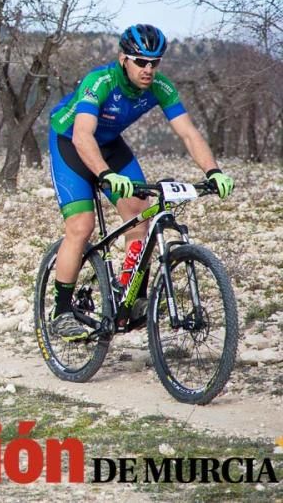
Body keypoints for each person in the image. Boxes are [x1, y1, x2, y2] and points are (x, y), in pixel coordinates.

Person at [47, 24, 234, 340]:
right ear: (123, 59)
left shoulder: (160, 86)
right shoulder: (100, 81)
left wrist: (213, 172)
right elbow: (82, 136)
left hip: (109, 144)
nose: (148, 69)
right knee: (81, 226)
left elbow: (189, 133)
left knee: (139, 218)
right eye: (140, 61)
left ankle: (130, 296)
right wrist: (105, 175)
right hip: (71, 143)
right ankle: (62, 311)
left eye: (155, 62)